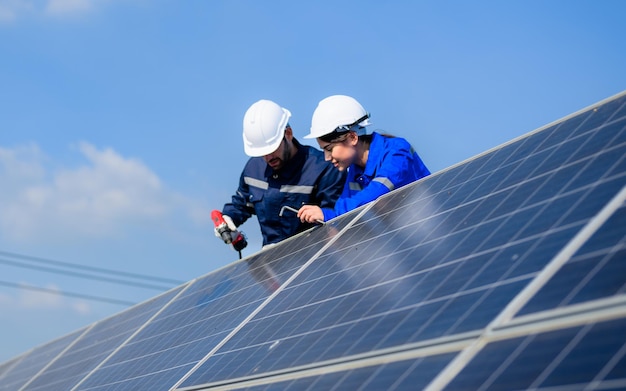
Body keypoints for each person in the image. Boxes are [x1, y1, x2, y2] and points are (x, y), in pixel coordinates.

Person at [219, 99, 346, 247]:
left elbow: (337, 218)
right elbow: (241, 204)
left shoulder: (323, 168)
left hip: (315, 259)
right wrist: (229, 219)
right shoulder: (253, 169)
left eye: (272, 149)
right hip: (270, 261)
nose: (268, 158)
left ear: (288, 134)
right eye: (262, 153)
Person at [297, 95, 430, 223]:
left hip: (429, 225)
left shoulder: (397, 151)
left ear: (352, 138)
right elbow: (342, 208)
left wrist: (328, 215)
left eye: (330, 149)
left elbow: (377, 192)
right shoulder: (356, 170)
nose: (326, 158)